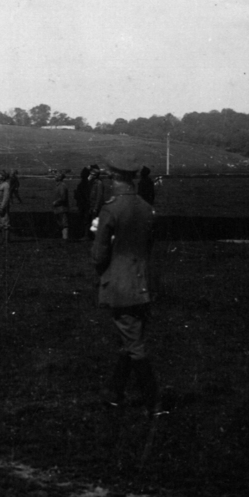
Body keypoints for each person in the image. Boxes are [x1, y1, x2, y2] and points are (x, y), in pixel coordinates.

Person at [92, 160, 161, 415]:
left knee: (134, 344)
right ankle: (114, 392)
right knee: (131, 339)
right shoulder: (146, 208)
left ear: (114, 179)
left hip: (121, 285)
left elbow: (99, 254)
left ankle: (153, 401)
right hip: (144, 282)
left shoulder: (111, 209)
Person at [0, 171, 12, 244]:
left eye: (0, 174)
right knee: (0, 223)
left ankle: (6, 240)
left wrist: (2, 207)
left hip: (2, 206)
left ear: (3, 177)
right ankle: (3, 239)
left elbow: (6, 197)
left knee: (5, 222)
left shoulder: (6, 185)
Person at [51, 173, 71, 240]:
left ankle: (65, 238)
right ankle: (63, 238)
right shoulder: (59, 185)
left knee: (64, 224)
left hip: (62, 208)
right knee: (61, 224)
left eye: (56, 176)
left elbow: (63, 197)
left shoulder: (62, 186)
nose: (55, 177)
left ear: (60, 178)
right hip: (59, 208)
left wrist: (56, 202)